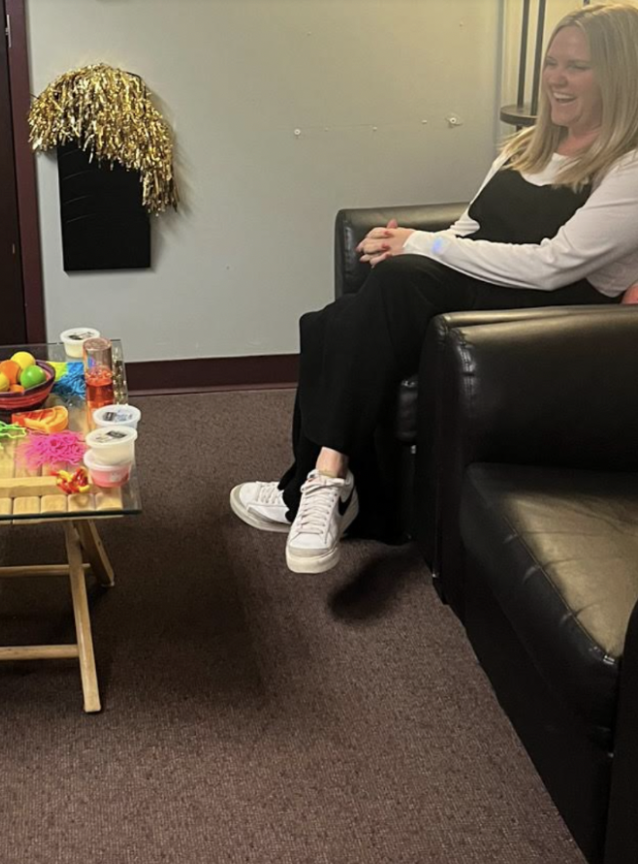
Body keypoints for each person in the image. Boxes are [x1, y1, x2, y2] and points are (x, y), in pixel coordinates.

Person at [231, 2, 638, 574]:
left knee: (389, 286)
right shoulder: (524, 149)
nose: (556, 80)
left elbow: (553, 265)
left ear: (619, 75)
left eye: (578, 66)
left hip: (545, 322)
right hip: (486, 290)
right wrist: (407, 239)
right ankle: (313, 487)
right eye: (551, 63)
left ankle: (321, 481)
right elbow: (468, 230)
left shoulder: (629, 168)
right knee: (334, 320)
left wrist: (421, 248)